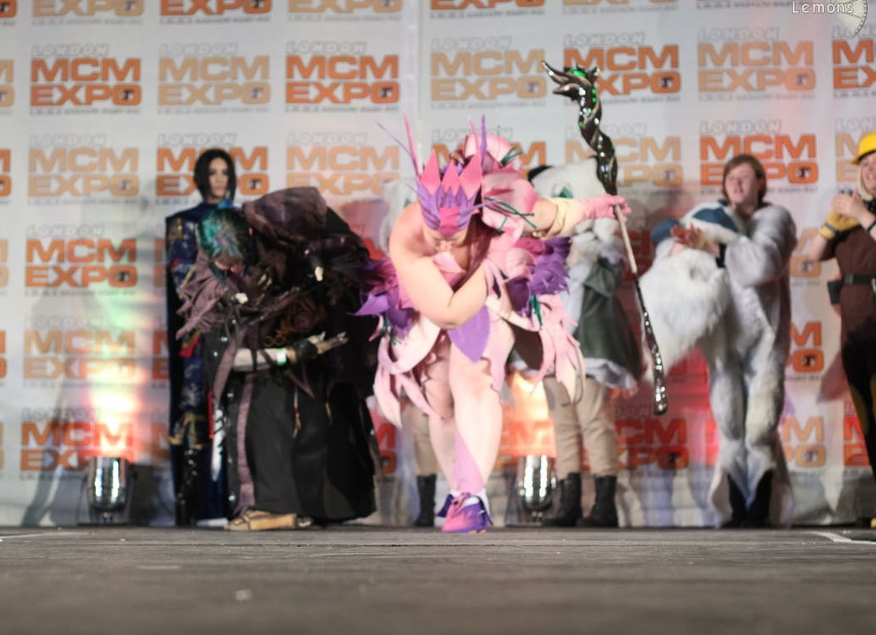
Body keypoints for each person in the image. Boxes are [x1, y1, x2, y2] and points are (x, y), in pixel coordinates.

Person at [360, 120, 628, 533]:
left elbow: (551, 214)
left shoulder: (502, 201)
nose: (444, 243)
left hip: (490, 295)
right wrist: (488, 266)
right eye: (437, 235)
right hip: (435, 299)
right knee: (439, 396)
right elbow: (448, 312)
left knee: (474, 376)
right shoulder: (409, 234)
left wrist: (594, 207)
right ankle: (459, 490)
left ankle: (471, 495)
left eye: (454, 234)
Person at [176, 188, 379, 531]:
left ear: (249, 235)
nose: (234, 268)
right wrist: (286, 353)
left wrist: (314, 263)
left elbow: (340, 244)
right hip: (265, 352)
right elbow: (226, 354)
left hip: (313, 312)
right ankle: (269, 505)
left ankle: (320, 505)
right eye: (226, 265)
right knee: (260, 408)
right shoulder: (211, 279)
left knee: (323, 411)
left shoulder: (280, 216)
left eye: (237, 260)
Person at [640, 154, 796, 528]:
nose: (737, 184)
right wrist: (678, 244)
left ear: (760, 182)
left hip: (764, 336)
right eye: (731, 178)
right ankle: (737, 508)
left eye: (745, 177)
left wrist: (713, 246)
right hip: (725, 336)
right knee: (729, 422)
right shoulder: (712, 214)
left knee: (760, 425)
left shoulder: (775, 219)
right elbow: (667, 236)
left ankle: (761, 509)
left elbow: (763, 264)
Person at [529, 161, 642, 528]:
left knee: (594, 422)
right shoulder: (536, 249)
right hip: (551, 346)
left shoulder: (601, 241)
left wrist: (578, 256)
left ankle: (605, 504)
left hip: (589, 346)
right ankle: (569, 502)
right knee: (562, 425)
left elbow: (610, 284)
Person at [164, 148, 236, 525]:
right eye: (213, 172)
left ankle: (234, 500)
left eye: (225, 172)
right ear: (201, 177)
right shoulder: (184, 224)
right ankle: (192, 503)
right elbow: (182, 279)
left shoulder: (243, 220)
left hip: (238, 330)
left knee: (234, 408)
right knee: (194, 407)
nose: (219, 178)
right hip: (199, 331)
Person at [806, 132, 876, 508]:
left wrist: (863, 216)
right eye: (866, 165)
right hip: (854, 331)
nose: (870, 171)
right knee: (868, 419)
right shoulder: (852, 214)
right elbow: (814, 255)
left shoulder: (864, 215)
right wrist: (833, 223)